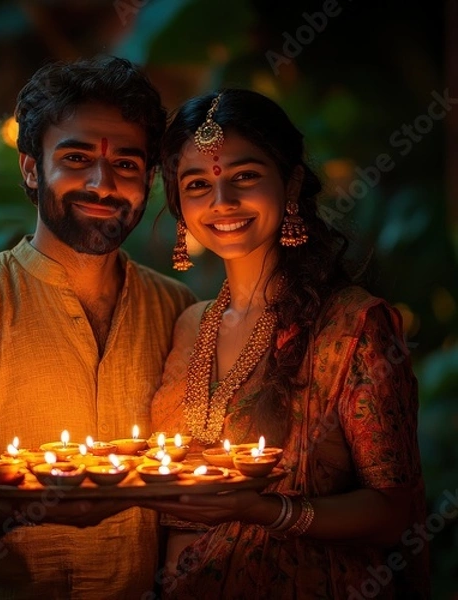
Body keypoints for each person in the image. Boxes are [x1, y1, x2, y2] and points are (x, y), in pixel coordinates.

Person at [0, 56, 196, 600]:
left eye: (126, 164)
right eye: (76, 158)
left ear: (148, 180)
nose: (103, 184)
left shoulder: (178, 311)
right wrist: (16, 506)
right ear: (31, 168)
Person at [145, 89, 429, 599]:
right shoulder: (187, 324)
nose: (222, 201)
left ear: (292, 182)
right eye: (197, 184)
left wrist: (264, 510)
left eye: (245, 176)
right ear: (179, 204)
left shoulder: (353, 324)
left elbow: (394, 513)